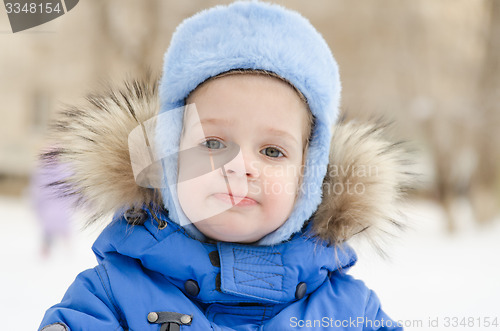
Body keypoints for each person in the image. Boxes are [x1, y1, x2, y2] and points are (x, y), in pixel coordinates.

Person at [39, 2, 414, 330]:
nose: (240, 167)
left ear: (310, 177)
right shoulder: (109, 300)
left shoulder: (351, 314)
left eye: (272, 151)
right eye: (214, 143)